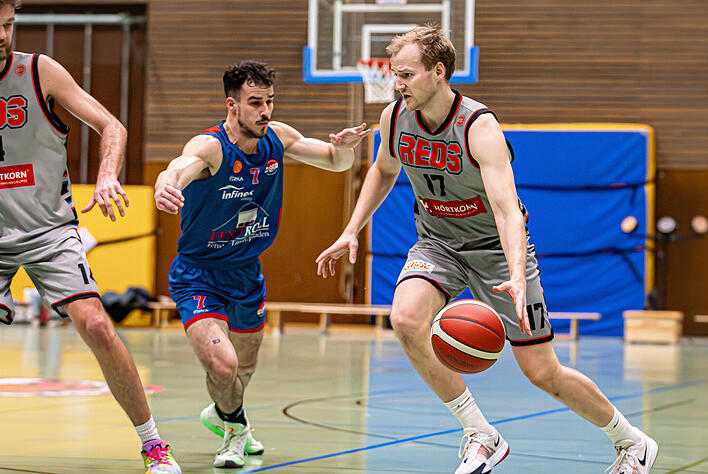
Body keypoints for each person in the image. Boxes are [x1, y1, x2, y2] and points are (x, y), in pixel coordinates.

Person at [316, 25, 657, 474]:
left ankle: (631, 442)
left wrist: (516, 274)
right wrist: (351, 229)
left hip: (497, 250)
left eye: (406, 74)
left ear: (438, 71)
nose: (397, 83)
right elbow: (381, 171)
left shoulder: (478, 127)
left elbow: (506, 209)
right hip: (438, 243)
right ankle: (481, 434)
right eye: (394, 74)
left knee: (542, 372)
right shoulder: (394, 118)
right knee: (404, 318)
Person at [0, 1, 180, 473]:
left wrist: (107, 176)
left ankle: (153, 444)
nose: (2, 35)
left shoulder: (41, 72)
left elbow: (112, 125)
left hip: (49, 231)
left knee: (99, 326)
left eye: (8, 24)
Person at [153, 60, 370, 468]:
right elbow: (180, 166)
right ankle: (234, 434)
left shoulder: (277, 138)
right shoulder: (212, 147)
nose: (265, 111)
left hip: (248, 273)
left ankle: (227, 415)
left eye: (269, 101)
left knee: (244, 368)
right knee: (224, 364)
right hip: (198, 274)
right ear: (232, 105)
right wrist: (166, 184)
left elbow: (335, 163)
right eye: (256, 103)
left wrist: (342, 148)